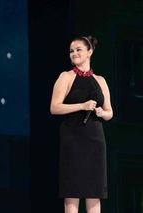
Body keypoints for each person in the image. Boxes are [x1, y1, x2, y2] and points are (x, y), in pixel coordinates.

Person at [50, 35, 113, 213]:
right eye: (71, 51)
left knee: (94, 193)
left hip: (95, 139)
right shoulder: (66, 77)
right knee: (73, 190)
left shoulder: (100, 80)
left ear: (89, 52)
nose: (74, 53)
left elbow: (110, 112)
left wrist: (102, 112)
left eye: (78, 49)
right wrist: (82, 106)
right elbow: (54, 108)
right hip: (73, 137)